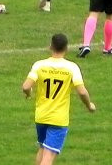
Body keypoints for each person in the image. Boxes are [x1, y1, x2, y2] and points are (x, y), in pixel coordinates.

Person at [22, 33, 96, 165]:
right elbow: (82, 92)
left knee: (43, 148)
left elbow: (26, 86)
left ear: (50, 46)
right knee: (48, 158)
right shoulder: (71, 68)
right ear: (66, 48)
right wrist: (89, 105)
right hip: (58, 119)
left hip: (41, 116)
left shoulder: (39, 65)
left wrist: (28, 94)